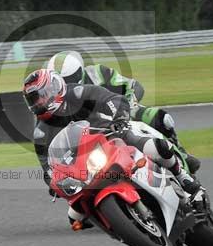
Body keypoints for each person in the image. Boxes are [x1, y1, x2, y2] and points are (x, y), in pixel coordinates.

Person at [22, 68, 201, 227]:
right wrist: (55, 183)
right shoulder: (41, 133)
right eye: (32, 100)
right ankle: (121, 221)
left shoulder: (77, 93)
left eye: (38, 97)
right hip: (84, 165)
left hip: (110, 134)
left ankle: (182, 176)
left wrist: (119, 117)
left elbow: (112, 99)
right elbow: (48, 167)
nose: (36, 103)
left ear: (52, 88)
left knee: (152, 147)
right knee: (75, 217)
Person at [46, 50, 200, 173]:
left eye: (71, 78)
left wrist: (129, 106)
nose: (66, 84)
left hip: (120, 116)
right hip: (92, 135)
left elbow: (133, 85)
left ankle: (181, 152)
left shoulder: (97, 73)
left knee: (160, 117)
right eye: (59, 82)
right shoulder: (53, 101)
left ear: (80, 72)